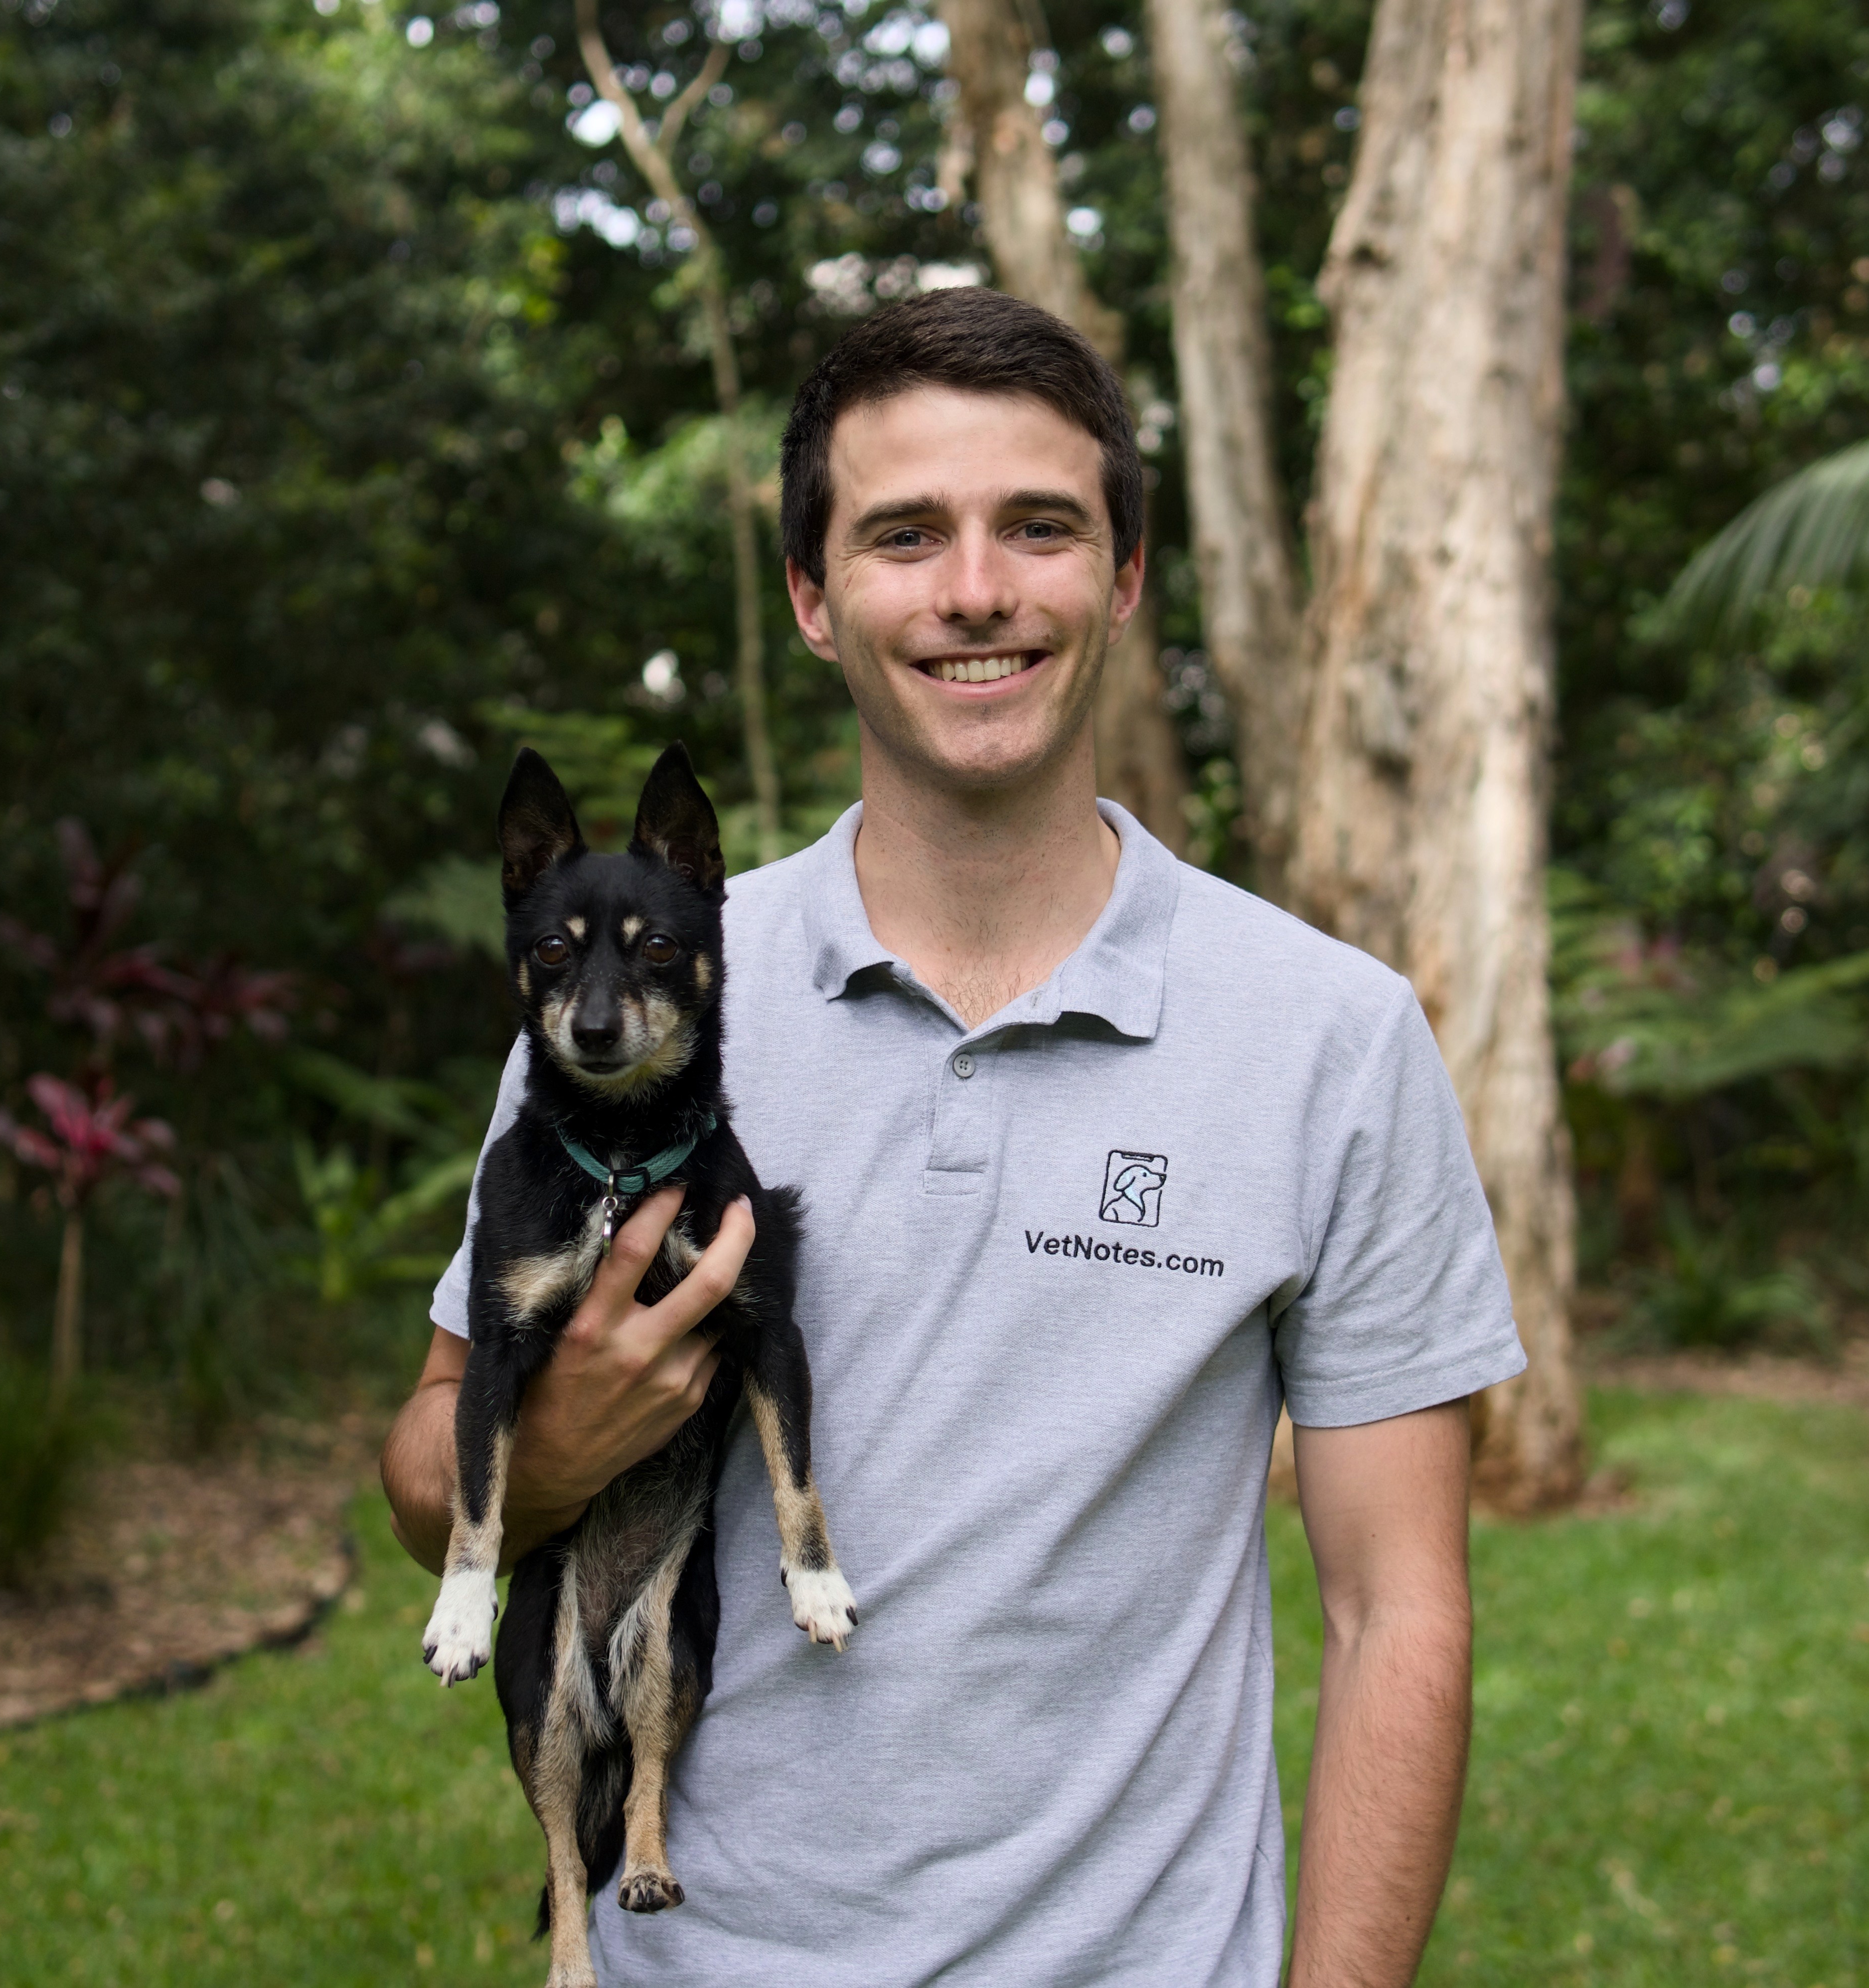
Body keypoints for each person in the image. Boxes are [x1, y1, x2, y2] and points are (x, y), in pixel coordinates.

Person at [381, 285, 1524, 1988]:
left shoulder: (1329, 1037)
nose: (975, 589)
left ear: (1122, 578)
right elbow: (424, 1471)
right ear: (812, 595)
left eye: (1039, 528)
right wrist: (556, 1442)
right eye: (904, 533)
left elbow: (1395, 1609)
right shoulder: (617, 1017)